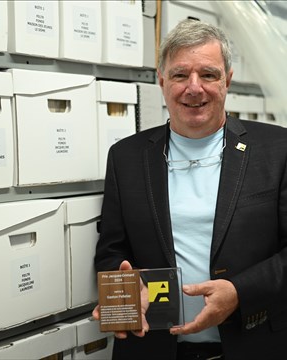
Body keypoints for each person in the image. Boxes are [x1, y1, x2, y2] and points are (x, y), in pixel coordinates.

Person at [93, 18, 287, 360]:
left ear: (227, 80)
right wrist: (125, 291)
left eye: (208, 75)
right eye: (180, 75)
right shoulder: (126, 157)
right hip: (153, 350)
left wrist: (239, 291)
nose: (193, 88)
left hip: (254, 346)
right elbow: (111, 250)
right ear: (162, 80)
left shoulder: (278, 150)